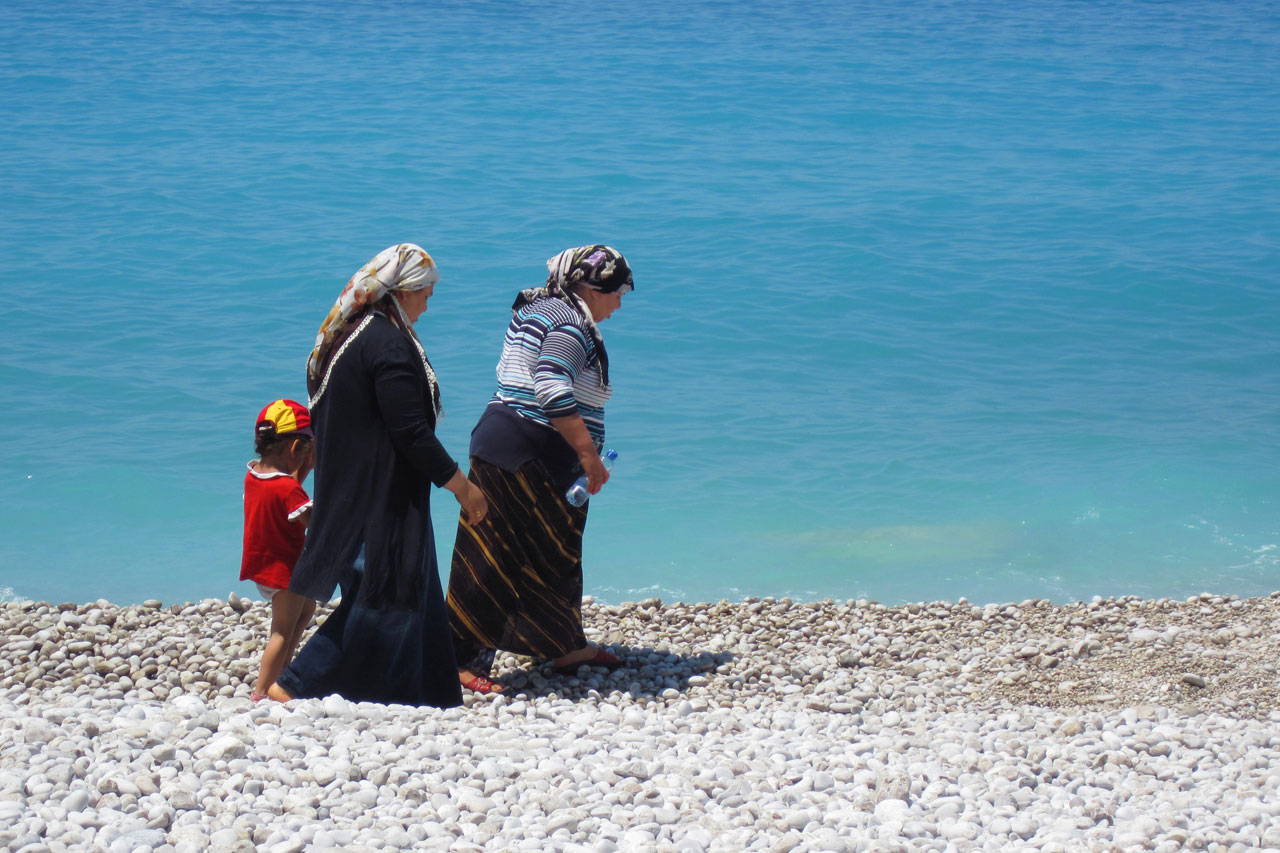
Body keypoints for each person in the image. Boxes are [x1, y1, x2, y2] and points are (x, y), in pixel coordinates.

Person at [268, 243, 487, 707]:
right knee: (382, 597)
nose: (429, 302)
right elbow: (409, 431)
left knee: (411, 593)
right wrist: (462, 487)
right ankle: (296, 685)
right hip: (377, 496)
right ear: (400, 291)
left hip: (360, 489)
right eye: (425, 292)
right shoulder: (385, 343)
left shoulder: (354, 334)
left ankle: (427, 695)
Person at [447, 245, 634, 694]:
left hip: (515, 444)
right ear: (590, 288)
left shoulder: (543, 307)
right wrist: (589, 456)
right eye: (617, 292)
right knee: (491, 555)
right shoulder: (570, 323)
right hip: (524, 451)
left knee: (556, 550)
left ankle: (562, 644)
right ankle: (456, 660)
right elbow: (550, 387)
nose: (620, 303)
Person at [240, 399, 318, 702]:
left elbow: (285, 500)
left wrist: (303, 470)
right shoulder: (289, 489)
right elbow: (310, 520)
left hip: (265, 566)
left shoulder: (254, 475)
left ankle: (283, 669)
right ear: (296, 447)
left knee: (307, 609)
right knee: (281, 632)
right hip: (285, 570)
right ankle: (262, 691)